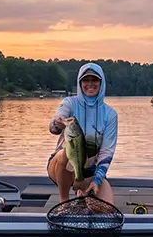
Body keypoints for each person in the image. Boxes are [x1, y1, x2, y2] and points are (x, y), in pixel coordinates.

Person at [47, 63, 118, 204]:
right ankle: (64, 202)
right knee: (66, 152)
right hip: (60, 168)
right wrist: (57, 123)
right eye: (86, 80)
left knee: (107, 208)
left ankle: (82, 190)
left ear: (101, 82)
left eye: (94, 80)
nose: (90, 84)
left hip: (89, 172)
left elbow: (106, 152)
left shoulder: (110, 114)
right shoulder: (69, 103)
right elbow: (54, 127)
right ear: (80, 83)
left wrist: (97, 180)